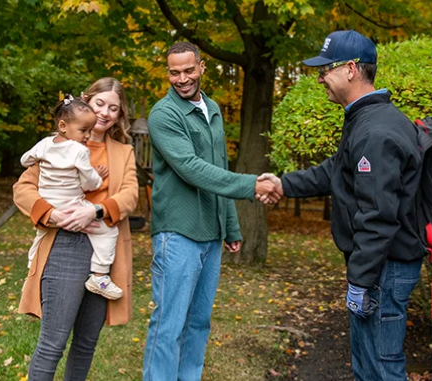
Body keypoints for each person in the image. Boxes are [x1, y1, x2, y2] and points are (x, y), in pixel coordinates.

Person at [260, 30, 424, 381]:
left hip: (384, 270)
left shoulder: (376, 132)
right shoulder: (365, 120)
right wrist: (283, 184)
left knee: (381, 369)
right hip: (378, 267)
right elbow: (336, 171)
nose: (320, 78)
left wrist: (361, 281)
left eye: (325, 70)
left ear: (350, 69)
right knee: (366, 366)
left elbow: (378, 216)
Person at [142, 41, 281, 381]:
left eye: (189, 70)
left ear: (202, 67)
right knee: (170, 323)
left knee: (199, 322)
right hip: (178, 231)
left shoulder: (213, 108)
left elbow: (218, 167)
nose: (182, 79)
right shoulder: (164, 114)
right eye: (174, 73)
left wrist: (230, 225)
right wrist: (252, 185)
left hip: (210, 233)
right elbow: (191, 169)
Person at [14, 77, 140, 381]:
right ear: (86, 102)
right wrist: (54, 215)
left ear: (119, 115)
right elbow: (23, 189)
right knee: (53, 343)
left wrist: (95, 210)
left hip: (104, 255)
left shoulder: (123, 153)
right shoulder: (57, 146)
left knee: (86, 343)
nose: (105, 113)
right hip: (64, 247)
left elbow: (130, 195)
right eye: (100, 104)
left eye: (113, 108)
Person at [19, 95, 125, 300]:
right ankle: (100, 275)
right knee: (108, 232)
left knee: (39, 238)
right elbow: (90, 183)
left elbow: (25, 160)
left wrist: (43, 162)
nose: (87, 135)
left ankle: (31, 277)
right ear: (63, 126)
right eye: (83, 130)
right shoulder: (79, 150)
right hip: (72, 205)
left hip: (48, 204)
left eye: (89, 130)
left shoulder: (44, 144)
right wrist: (98, 176)